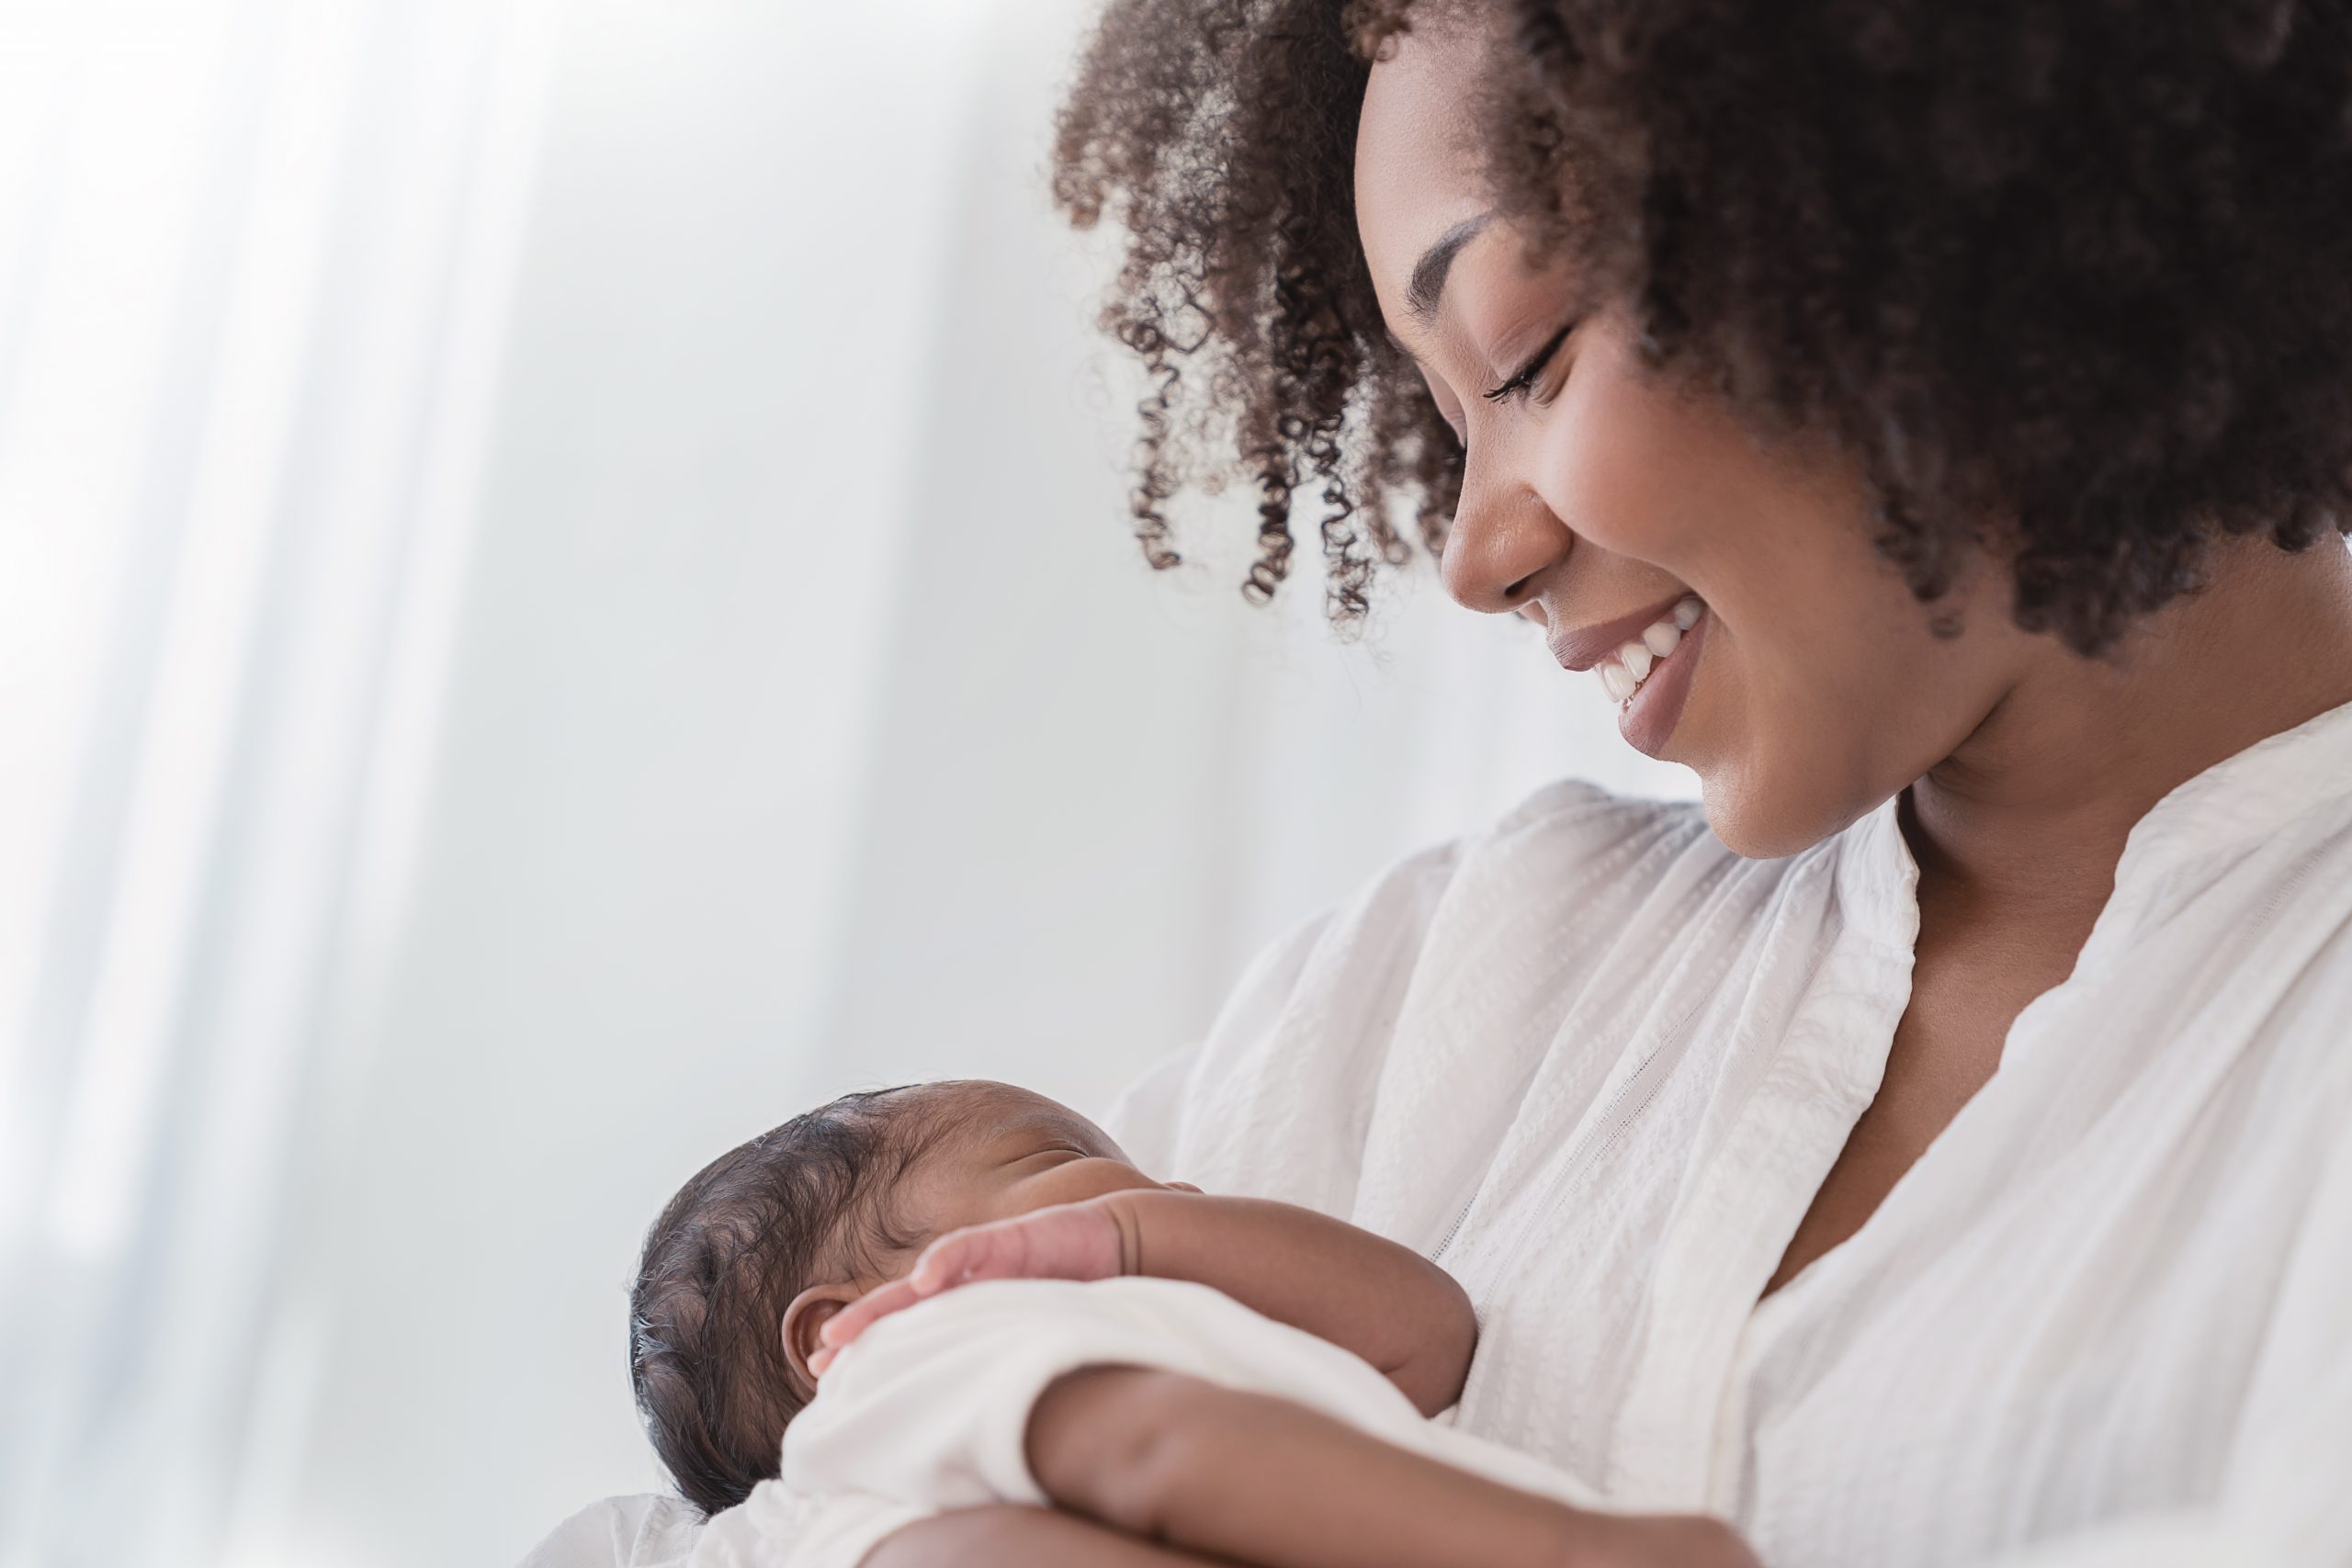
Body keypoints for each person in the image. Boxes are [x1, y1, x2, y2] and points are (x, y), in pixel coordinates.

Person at [529, 1, 2352, 1562]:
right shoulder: (1456, 970)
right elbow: (750, 1492)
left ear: (1937, 215)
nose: (1476, 552)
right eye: (1436, 418)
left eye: (1524, 356)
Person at [621, 1077, 1741, 1568]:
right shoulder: (914, 1352)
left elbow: (1428, 1333)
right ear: (841, 1330)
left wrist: (1138, 1238)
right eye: (1064, 1162)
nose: (1167, 1192)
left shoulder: (1186, 1334)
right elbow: (1155, 1450)